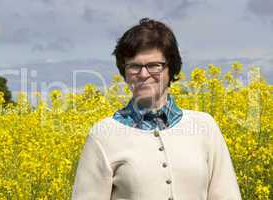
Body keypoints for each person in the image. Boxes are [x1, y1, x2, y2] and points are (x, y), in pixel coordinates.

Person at [71, 18, 242, 200]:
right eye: (134, 66)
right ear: (124, 72)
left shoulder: (205, 127)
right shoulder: (103, 135)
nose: (144, 74)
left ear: (171, 69)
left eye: (154, 65)